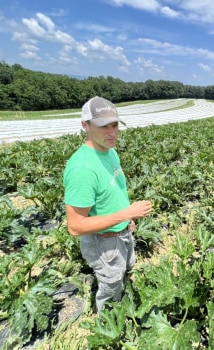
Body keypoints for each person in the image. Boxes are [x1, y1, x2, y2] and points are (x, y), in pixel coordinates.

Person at [63, 96, 152, 312]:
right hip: (103, 242)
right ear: (85, 125)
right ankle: (110, 323)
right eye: (103, 126)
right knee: (112, 285)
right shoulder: (82, 169)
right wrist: (125, 214)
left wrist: (127, 218)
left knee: (127, 268)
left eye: (115, 125)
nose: (112, 132)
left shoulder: (110, 152)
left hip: (122, 230)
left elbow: (116, 190)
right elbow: (75, 226)